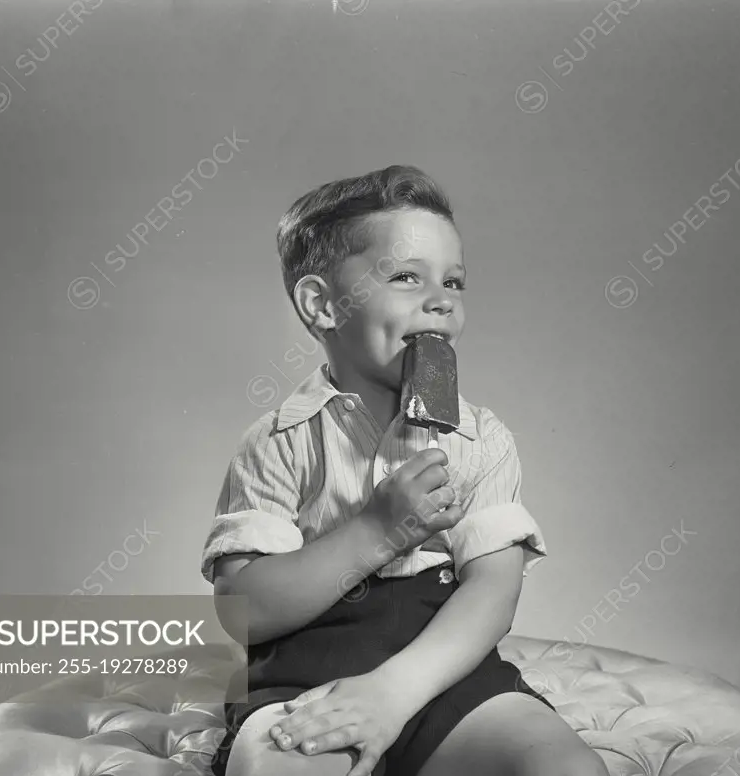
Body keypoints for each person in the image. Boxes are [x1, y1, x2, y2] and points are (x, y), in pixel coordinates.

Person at [200, 164, 610, 776]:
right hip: (302, 677)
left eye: (454, 281)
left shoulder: (482, 439)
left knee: (567, 771)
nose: (441, 299)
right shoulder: (278, 442)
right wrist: (375, 530)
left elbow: (494, 590)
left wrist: (393, 693)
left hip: (444, 671)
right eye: (405, 277)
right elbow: (245, 609)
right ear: (322, 305)